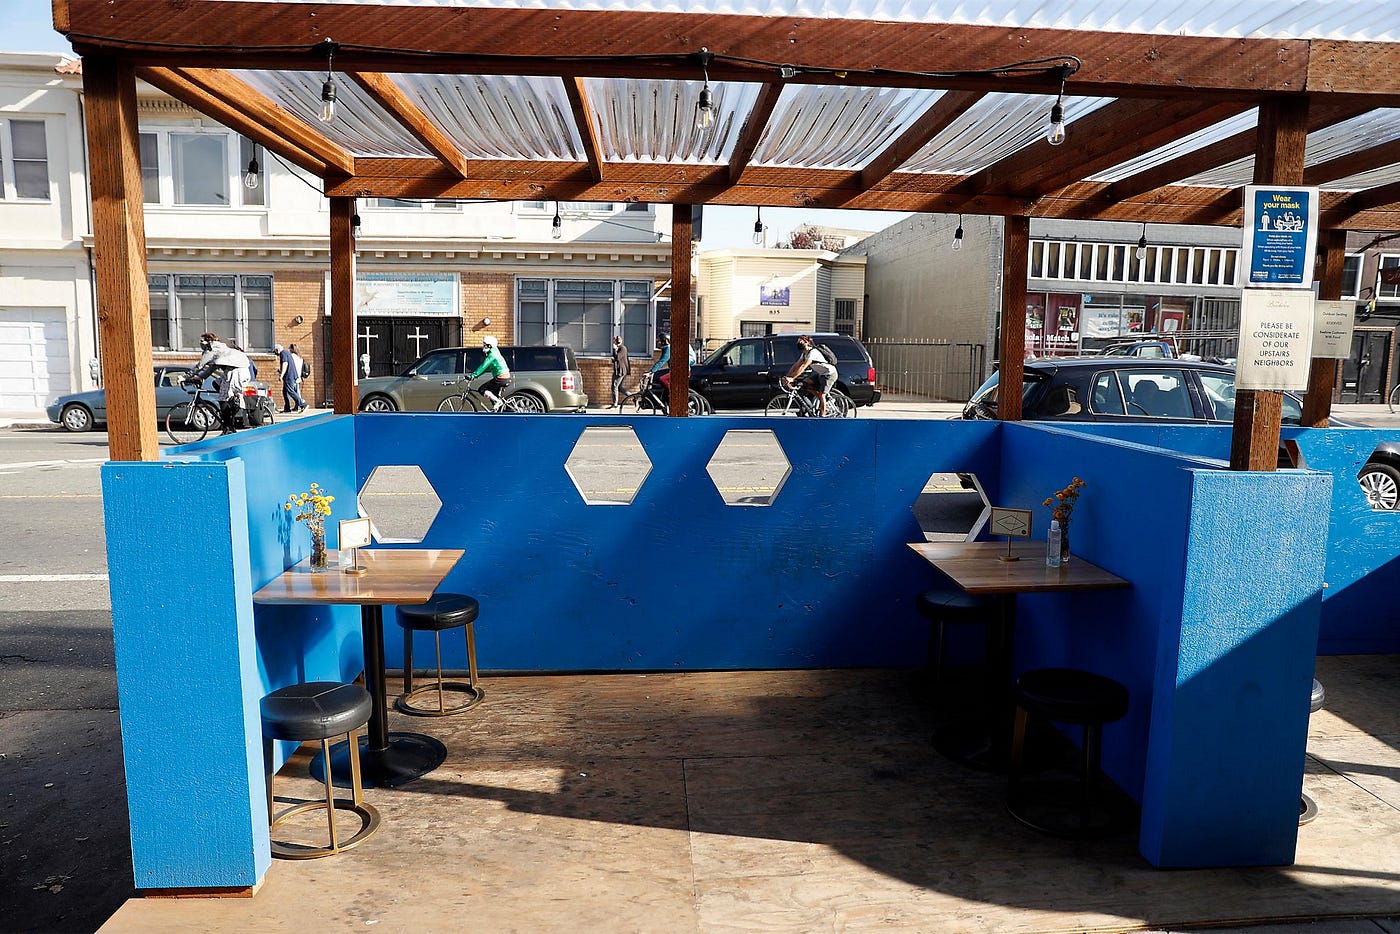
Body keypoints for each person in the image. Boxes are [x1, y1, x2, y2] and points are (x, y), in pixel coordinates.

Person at [186, 332, 252, 433]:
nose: (200, 343)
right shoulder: (221, 348)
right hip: (242, 371)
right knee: (216, 383)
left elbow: (200, 366)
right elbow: (212, 368)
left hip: (235, 373)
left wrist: (185, 376)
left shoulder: (211, 349)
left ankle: (228, 427)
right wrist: (200, 377)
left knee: (222, 399)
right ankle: (231, 406)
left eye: (201, 341)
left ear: (208, 341)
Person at [780, 334, 838, 417]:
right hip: (821, 374)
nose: (798, 343)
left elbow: (803, 366)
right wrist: (787, 376)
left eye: (800, 341)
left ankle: (823, 416)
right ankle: (819, 399)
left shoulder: (813, 352)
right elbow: (796, 365)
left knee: (822, 395)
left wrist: (792, 378)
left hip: (829, 374)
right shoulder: (804, 354)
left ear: (807, 342)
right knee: (805, 383)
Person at [469, 335, 512, 410]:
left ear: (489, 345)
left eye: (485, 345)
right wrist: (476, 376)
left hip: (501, 377)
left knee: (482, 390)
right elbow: (486, 368)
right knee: (493, 396)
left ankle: (499, 402)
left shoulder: (492, 355)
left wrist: (473, 375)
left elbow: (483, 366)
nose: (483, 346)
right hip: (505, 376)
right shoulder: (495, 352)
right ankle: (499, 412)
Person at [276, 343, 307, 413]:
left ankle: (302, 404)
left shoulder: (283, 353)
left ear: (277, 350)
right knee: (285, 392)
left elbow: (285, 364)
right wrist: (280, 371)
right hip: (291, 375)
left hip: (289, 376)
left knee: (290, 391)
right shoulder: (287, 352)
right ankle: (287, 408)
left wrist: (281, 375)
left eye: (276, 352)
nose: (276, 355)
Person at [611, 334, 630, 407]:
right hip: (618, 370)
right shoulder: (619, 348)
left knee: (614, 386)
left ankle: (615, 404)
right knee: (619, 387)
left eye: (616, 341)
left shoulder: (623, 348)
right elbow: (615, 358)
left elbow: (618, 357)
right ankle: (633, 397)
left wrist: (614, 349)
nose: (615, 343)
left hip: (620, 371)